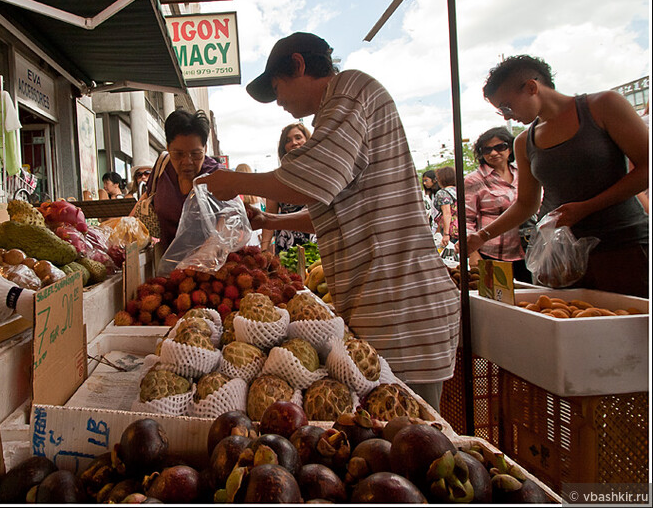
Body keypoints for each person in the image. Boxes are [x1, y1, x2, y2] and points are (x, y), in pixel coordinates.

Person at [199, 32, 459, 409]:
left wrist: (236, 181)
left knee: (413, 435)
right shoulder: (331, 120)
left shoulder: (351, 90)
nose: (281, 103)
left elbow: (314, 178)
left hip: (402, 307)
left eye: (278, 88)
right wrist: (269, 219)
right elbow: (332, 210)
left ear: (299, 66)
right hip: (381, 304)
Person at [467, 55, 649, 297]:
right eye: (501, 112)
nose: (508, 117)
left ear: (532, 87)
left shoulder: (603, 105)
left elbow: (646, 167)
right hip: (559, 258)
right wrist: (481, 237)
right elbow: (526, 204)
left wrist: (587, 207)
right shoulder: (524, 142)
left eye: (507, 106)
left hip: (621, 246)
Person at [464, 126, 532, 283]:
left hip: (528, 251)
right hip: (492, 254)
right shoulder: (474, 180)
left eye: (500, 147)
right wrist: (473, 253)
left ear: (510, 148)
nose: (493, 153)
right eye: (487, 150)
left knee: (527, 299)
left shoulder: (523, 173)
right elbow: (466, 219)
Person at [148, 109, 221, 249]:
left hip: (207, 265)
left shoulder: (216, 176)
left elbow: (227, 222)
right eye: (178, 154)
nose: (187, 161)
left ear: (205, 149)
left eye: (195, 154)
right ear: (168, 148)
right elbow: (146, 199)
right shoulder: (162, 168)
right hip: (167, 264)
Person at [260, 123, 318, 255]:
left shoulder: (319, 173)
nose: (294, 143)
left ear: (307, 140)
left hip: (316, 242)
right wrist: (264, 249)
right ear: (283, 147)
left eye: (298, 137)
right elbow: (269, 214)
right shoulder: (277, 178)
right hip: (286, 246)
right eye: (288, 140)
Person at [433, 166, 459, 250]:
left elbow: (447, 213)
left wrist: (446, 234)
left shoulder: (442, 193)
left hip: (452, 230)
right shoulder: (461, 189)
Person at [421, 169, 441, 240]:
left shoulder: (440, 194)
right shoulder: (430, 195)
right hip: (434, 226)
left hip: (441, 227)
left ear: (434, 180)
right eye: (423, 181)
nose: (424, 183)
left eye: (426, 180)